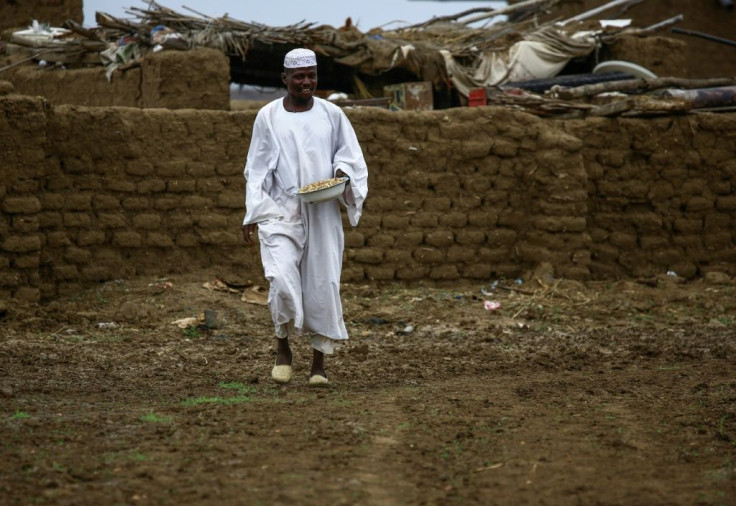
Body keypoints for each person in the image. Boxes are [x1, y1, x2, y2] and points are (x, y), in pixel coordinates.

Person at [241, 48, 368, 387]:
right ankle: (283, 348)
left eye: (312, 75)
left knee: (323, 284)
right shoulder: (268, 116)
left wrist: (341, 172)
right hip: (280, 209)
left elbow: (350, 156)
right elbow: (256, 168)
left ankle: (319, 366)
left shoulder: (332, 114)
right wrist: (252, 212)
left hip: (322, 209)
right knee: (281, 278)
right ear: (285, 79)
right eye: (299, 76)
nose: (307, 81)